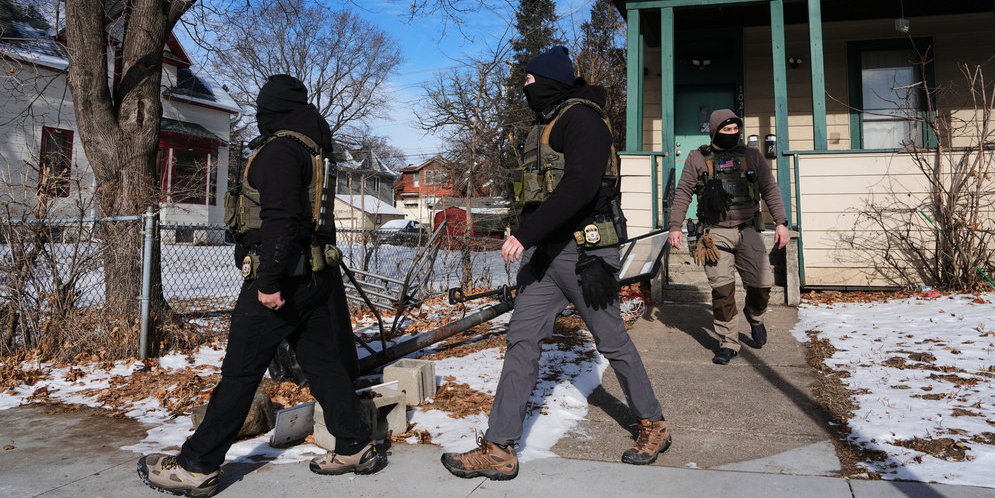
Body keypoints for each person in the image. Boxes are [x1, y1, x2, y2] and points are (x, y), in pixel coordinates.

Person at [138, 75, 385, 497]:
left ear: (269, 108)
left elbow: (281, 220)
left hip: (281, 281)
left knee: (240, 372)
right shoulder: (314, 150)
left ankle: (196, 465)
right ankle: (356, 445)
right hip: (314, 277)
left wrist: (268, 282)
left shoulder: (279, 152)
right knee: (324, 366)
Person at [440, 46, 670, 482]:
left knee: (612, 341)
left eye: (529, 80)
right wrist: (532, 237)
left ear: (549, 80)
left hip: (584, 253)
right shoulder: (546, 124)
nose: (523, 87)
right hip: (545, 255)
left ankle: (653, 423)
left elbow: (582, 186)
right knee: (522, 342)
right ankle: (499, 447)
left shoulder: (582, 119)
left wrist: (524, 234)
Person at [667, 109, 790, 366]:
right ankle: (728, 342)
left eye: (735, 129)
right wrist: (675, 226)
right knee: (722, 291)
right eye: (726, 129)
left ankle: (754, 317)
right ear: (714, 131)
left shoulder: (753, 156)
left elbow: (770, 188)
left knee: (762, 286)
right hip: (714, 233)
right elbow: (683, 192)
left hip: (748, 230)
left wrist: (781, 222)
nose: (732, 134)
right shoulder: (697, 158)